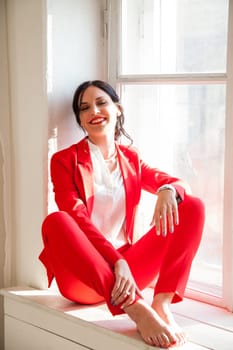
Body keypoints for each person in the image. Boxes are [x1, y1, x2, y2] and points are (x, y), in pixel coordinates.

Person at [39, 80, 205, 348]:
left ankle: (162, 304)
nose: (94, 110)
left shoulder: (132, 159)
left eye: (101, 102)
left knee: (193, 205)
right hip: (84, 278)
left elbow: (180, 183)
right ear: (80, 118)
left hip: (127, 274)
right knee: (57, 221)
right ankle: (137, 309)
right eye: (84, 107)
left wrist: (166, 189)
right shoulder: (64, 160)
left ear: (117, 109)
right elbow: (77, 217)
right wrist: (117, 261)